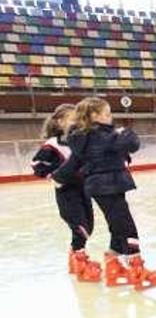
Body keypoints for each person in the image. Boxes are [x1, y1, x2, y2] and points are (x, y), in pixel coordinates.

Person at [53, 97, 156, 290]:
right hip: (109, 185)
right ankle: (136, 267)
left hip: (101, 186)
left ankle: (113, 264)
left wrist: (59, 177)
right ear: (95, 116)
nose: (111, 118)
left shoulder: (83, 138)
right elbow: (133, 144)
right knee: (127, 226)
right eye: (107, 114)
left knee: (117, 225)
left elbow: (73, 164)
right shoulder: (106, 136)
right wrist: (125, 132)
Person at [31, 103, 101, 282]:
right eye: (72, 119)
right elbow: (37, 165)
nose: (76, 122)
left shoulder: (80, 141)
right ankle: (79, 260)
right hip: (66, 193)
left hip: (84, 190)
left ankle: (74, 255)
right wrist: (54, 175)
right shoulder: (52, 145)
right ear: (60, 122)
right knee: (80, 226)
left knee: (89, 227)